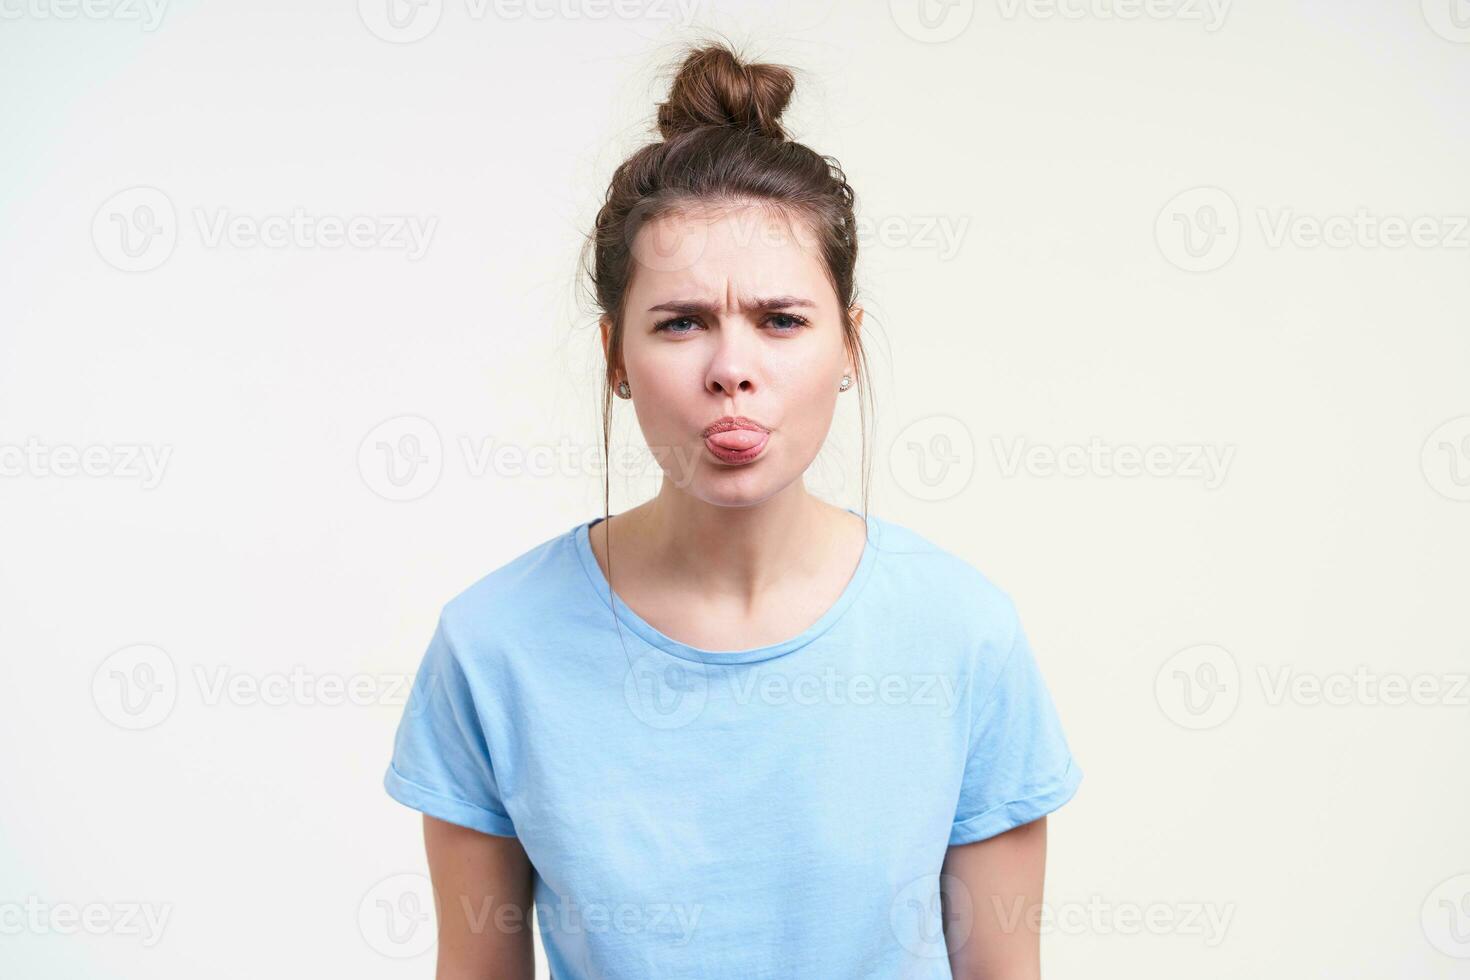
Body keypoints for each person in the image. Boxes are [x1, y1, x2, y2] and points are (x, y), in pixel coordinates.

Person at [382, 39, 1082, 979]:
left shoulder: (963, 637)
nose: (732, 370)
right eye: (681, 323)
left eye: (781, 320)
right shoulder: (491, 648)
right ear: (615, 357)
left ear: (849, 347)